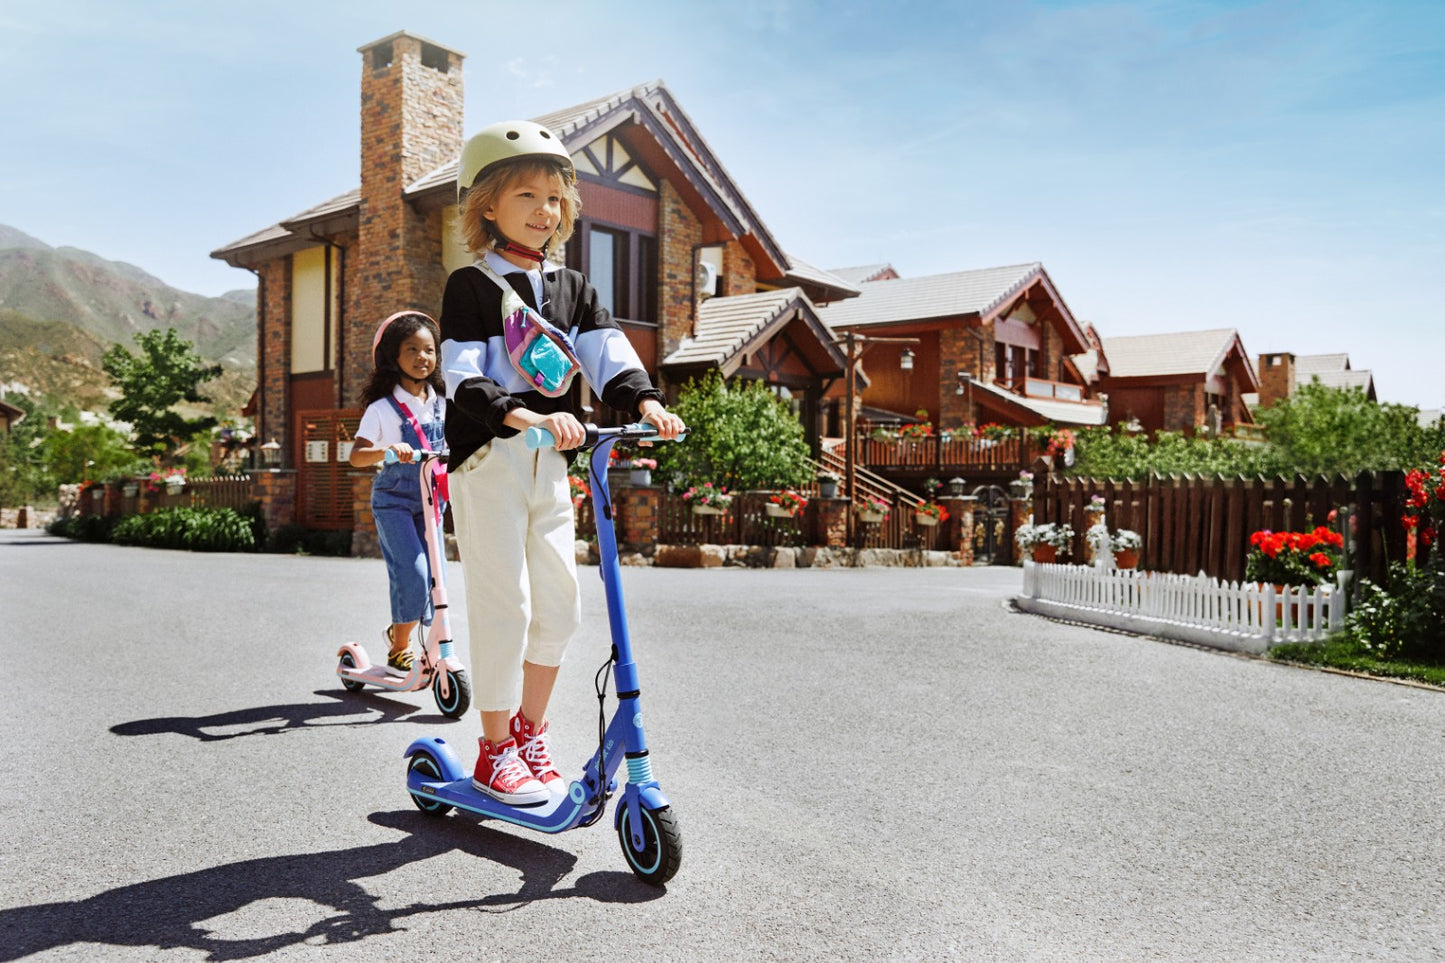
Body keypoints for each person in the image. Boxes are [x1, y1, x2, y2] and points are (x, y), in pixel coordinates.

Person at [440, 120, 685, 806]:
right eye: (526, 194)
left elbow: (608, 355)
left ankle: (528, 731)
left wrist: (645, 404)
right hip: (489, 455)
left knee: (561, 605)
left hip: (552, 458)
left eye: (555, 197)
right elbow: (460, 375)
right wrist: (522, 415)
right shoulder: (472, 284)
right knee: (504, 604)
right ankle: (492, 752)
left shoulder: (572, 286)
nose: (545, 210)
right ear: (487, 204)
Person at [348, 310, 448, 677]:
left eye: (429, 350)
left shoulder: (442, 402)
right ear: (394, 357)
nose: (423, 357)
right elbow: (357, 457)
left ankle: (423, 639)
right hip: (394, 498)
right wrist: (387, 451)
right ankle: (400, 647)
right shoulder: (381, 409)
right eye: (412, 350)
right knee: (414, 571)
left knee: (438, 578)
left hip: (432, 496)